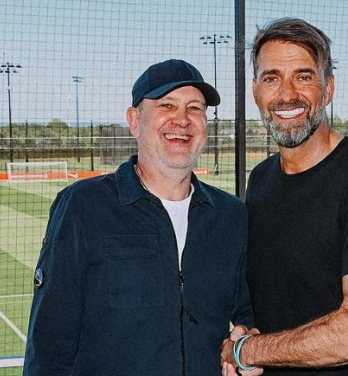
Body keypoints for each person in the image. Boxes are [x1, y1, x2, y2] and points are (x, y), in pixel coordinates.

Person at [23, 59, 253, 376]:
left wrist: (245, 337)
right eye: (166, 105)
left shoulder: (230, 214)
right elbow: (50, 340)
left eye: (195, 108)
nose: (182, 120)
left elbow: (250, 308)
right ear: (134, 121)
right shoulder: (84, 205)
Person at [221, 17, 348, 375]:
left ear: (327, 90)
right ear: (256, 92)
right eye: (271, 78)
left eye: (304, 76)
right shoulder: (261, 179)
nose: (286, 94)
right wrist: (245, 331)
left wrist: (248, 351)